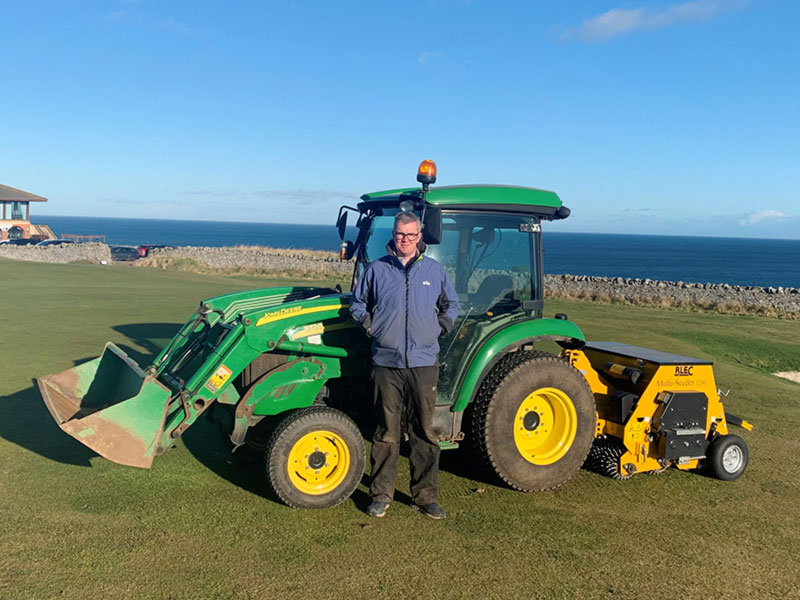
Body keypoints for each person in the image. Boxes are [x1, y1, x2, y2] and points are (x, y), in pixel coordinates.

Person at [350, 211, 459, 519]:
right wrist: (372, 327)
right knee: (386, 431)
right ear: (394, 234)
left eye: (411, 235)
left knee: (423, 431)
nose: (405, 240)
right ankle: (381, 494)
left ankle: (425, 496)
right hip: (386, 361)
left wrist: (439, 327)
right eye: (400, 234)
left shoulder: (434, 270)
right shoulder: (377, 269)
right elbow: (357, 304)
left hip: (423, 362)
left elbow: (452, 304)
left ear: (419, 236)